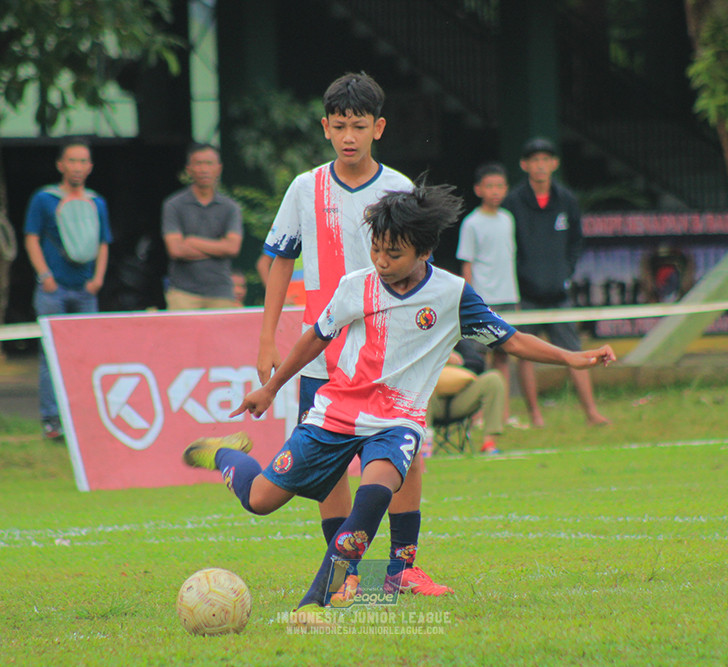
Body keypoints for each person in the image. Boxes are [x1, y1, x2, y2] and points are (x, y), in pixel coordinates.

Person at [182, 181, 615, 627]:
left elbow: (512, 338)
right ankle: (224, 453)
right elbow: (315, 337)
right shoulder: (356, 287)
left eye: (394, 253)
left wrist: (571, 358)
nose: (382, 262)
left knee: (374, 493)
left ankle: (316, 601)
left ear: (424, 251)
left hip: (397, 421)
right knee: (260, 500)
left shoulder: (452, 295)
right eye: (376, 250)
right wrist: (271, 388)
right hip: (337, 413)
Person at [258, 72, 451, 596]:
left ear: (378, 128)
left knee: (402, 459)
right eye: (339, 125)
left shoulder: (401, 190)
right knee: (329, 474)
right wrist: (266, 339)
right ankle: (342, 579)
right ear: (325, 127)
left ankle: (401, 569)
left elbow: (424, 273)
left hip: (389, 357)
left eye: (359, 126)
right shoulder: (305, 187)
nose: (349, 136)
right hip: (323, 357)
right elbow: (279, 260)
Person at [502, 137, 609, 427]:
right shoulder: (512, 201)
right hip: (525, 294)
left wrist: (565, 271)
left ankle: (591, 412)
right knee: (525, 353)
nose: (540, 165)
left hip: (558, 293)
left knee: (575, 352)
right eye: (534, 160)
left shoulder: (566, 199)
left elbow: (576, 241)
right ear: (525, 165)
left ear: (554, 164)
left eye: (545, 159)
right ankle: (535, 416)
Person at [24, 137, 112, 440]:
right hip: (53, 290)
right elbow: (31, 237)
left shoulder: (97, 201)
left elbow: (103, 242)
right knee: (50, 355)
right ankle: (52, 420)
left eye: (83, 161)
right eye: (72, 161)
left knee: (87, 354)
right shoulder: (43, 198)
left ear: (90, 166)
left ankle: (85, 417)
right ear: (61, 165)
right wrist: (44, 275)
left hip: (86, 290)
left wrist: (98, 279)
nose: (78, 166)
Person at [456, 162, 520, 423]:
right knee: (479, 359)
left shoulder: (507, 219)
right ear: (478, 189)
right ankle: (477, 414)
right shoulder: (472, 223)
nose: (495, 191)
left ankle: (502, 414)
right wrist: (471, 301)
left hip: (508, 298)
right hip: (484, 301)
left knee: (504, 357)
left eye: (499, 186)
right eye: (489, 186)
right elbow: (467, 264)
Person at [161, 143, 243, 311]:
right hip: (183, 294)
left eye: (209, 163)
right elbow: (175, 250)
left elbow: (233, 248)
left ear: (219, 168)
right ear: (189, 169)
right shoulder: (173, 205)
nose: (204, 169)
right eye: (198, 163)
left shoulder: (230, 207)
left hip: (221, 292)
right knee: (182, 338)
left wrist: (191, 241)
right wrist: (218, 247)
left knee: (223, 338)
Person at [428, 338, 507, 455]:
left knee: (493, 379)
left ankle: (489, 444)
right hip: (429, 402)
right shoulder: (417, 338)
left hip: (459, 400)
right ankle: (423, 447)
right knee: (417, 388)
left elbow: (478, 364)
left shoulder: (456, 337)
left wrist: (460, 363)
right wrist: (440, 359)